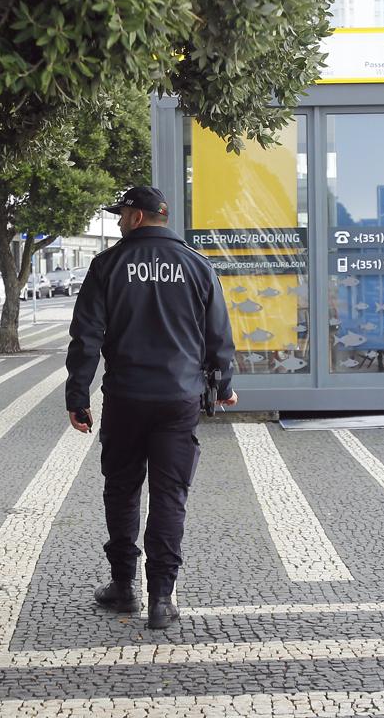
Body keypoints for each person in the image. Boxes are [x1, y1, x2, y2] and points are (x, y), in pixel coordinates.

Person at [65, 186, 237, 630]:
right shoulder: (199, 266)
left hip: (125, 397)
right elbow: (218, 334)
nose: (118, 221)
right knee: (169, 496)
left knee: (121, 491)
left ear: (138, 216)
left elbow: (87, 337)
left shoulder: (108, 265)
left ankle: (124, 588)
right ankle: (162, 597)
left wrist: (78, 396)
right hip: (179, 399)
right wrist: (224, 385)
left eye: (121, 214)